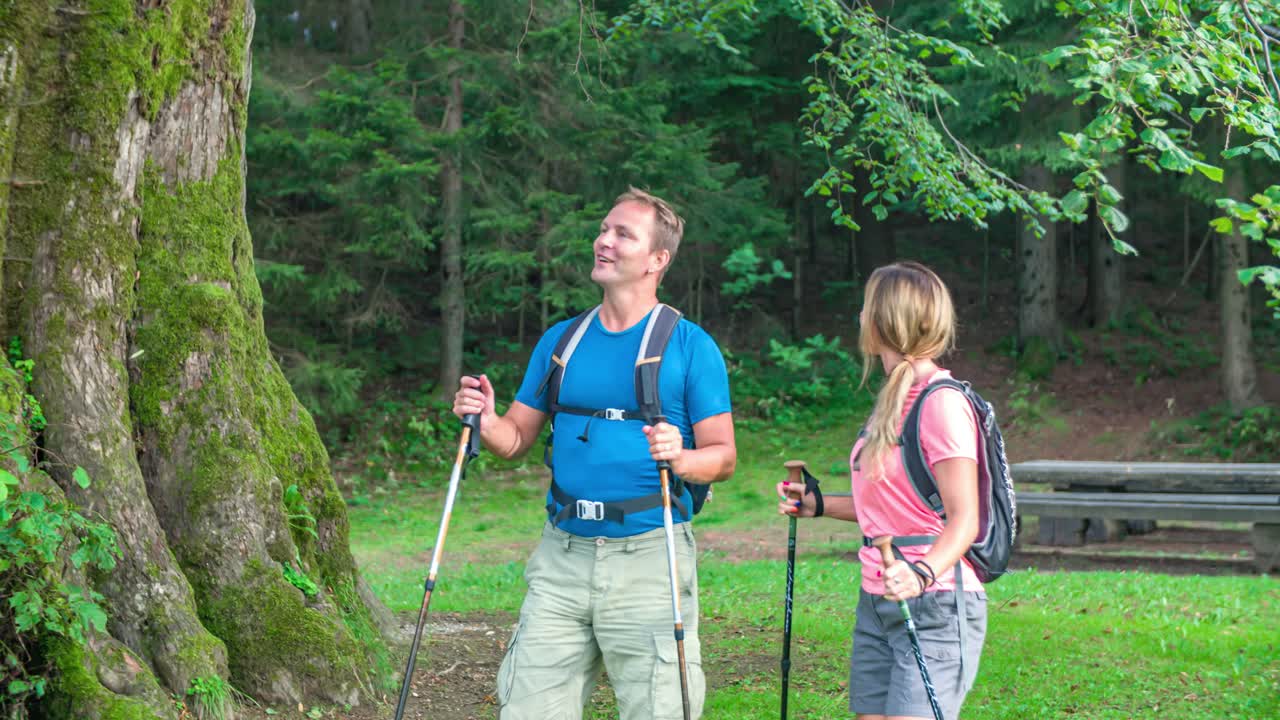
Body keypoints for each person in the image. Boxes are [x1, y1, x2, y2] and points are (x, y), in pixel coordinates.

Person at [452, 187, 736, 720]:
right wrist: (486, 420)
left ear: (658, 260)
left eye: (622, 234)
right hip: (562, 557)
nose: (603, 241)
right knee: (526, 709)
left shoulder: (689, 346)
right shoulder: (563, 341)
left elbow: (722, 456)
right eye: (604, 229)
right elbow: (514, 439)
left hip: (651, 557)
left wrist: (681, 457)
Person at [777, 261, 987, 720]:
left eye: (865, 308)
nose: (859, 317)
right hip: (876, 598)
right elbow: (892, 511)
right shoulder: (892, 401)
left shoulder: (942, 403)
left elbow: (965, 519)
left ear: (884, 322)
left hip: (935, 603)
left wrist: (921, 574)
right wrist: (817, 506)